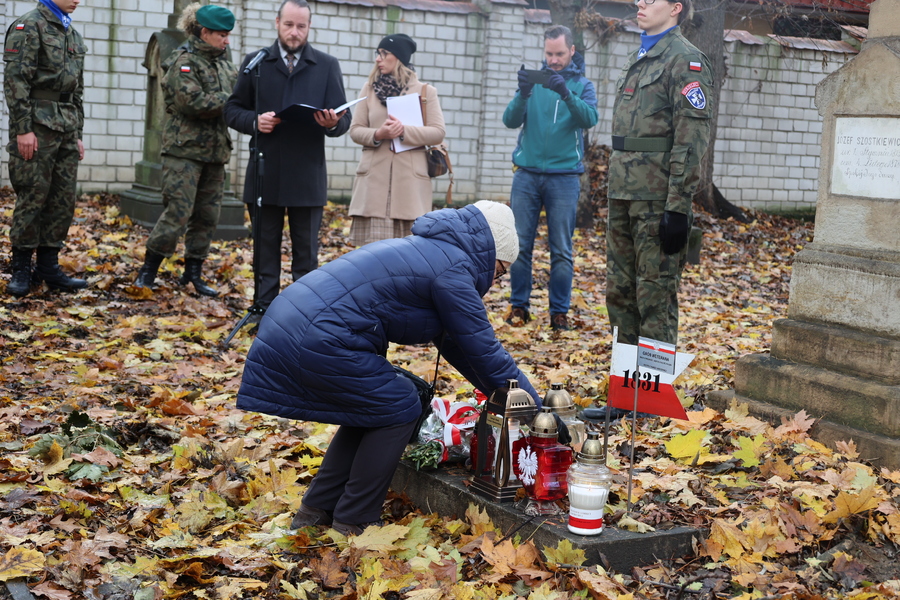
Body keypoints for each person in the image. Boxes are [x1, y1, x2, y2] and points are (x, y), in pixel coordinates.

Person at [236, 200, 539, 536]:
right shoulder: (454, 268)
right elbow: (485, 352)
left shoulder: (436, 252)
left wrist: (510, 397)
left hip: (293, 324)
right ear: (489, 251)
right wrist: (539, 411)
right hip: (316, 336)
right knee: (400, 404)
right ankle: (356, 520)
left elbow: (463, 348)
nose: (495, 282)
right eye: (499, 271)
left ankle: (316, 510)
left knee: (375, 404)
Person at [224, 0, 351, 313]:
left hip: (307, 177)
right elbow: (232, 109)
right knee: (264, 250)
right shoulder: (255, 63)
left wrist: (333, 123)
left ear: (309, 27)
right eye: (289, 25)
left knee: (306, 255)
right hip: (265, 175)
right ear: (277, 22)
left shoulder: (326, 65)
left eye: (302, 26)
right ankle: (263, 310)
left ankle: (302, 316)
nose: (295, 33)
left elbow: (343, 118)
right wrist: (255, 122)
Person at [606, 0, 712, 345]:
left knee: (655, 298)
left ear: (675, 8)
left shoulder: (685, 59)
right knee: (620, 294)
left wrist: (678, 205)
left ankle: (653, 394)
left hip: (656, 198)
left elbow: (691, 138)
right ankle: (625, 392)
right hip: (622, 192)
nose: (640, 3)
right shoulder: (638, 56)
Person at [133, 3, 237, 297]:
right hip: (184, 153)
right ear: (204, 32)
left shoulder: (225, 63)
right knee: (177, 213)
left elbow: (239, 96)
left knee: (207, 216)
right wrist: (231, 100)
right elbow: (193, 103)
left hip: (215, 154)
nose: (226, 40)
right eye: (221, 34)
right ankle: (148, 270)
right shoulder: (183, 61)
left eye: (228, 35)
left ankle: (193, 274)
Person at [502, 25, 598, 332]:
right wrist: (523, 93)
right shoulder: (534, 83)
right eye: (549, 54)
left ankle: (559, 313)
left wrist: (566, 93)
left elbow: (589, 119)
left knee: (561, 249)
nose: (553, 60)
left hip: (564, 178)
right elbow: (510, 120)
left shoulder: (583, 85)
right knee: (519, 245)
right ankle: (519, 307)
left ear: (571, 50)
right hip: (527, 176)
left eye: (559, 54)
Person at [4, 0, 88, 298]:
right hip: (37, 124)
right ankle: (22, 268)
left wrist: (77, 132)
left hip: (65, 125)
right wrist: (23, 129)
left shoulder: (71, 33)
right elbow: (16, 80)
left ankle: (49, 266)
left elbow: (76, 88)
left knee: (62, 198)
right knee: (33, 194)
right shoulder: (29, 26)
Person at [347, 33, 445, 246]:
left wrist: (403, 131)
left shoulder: (426, 92)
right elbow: (355, 130)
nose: (378, 59)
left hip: (409, 190)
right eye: (377, 53)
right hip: (373, 188)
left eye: (384, 53)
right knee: (372, 260)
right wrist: (377, 134)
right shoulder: (369, 89)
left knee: (408, 261)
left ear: (399, 57)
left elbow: (437, 132)